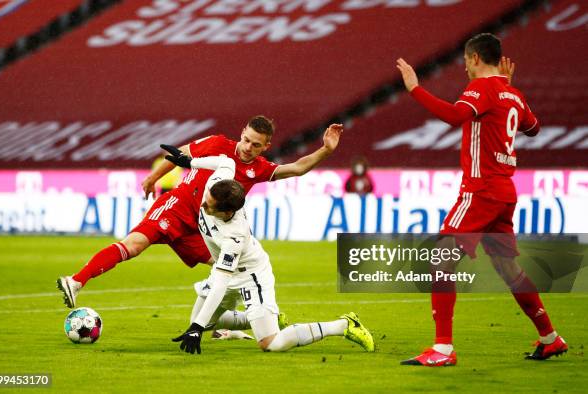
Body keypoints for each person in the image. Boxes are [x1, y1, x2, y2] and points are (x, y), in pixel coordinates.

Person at [395, 33, 567, 366]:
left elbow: (455, 116)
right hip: (504, 192)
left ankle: (442, 349)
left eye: (464, 61)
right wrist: (507, 89)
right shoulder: (511, 93)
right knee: (508, 268)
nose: (464, 69)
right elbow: (533, 128)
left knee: (440, 258)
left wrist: (415, 88)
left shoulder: (483, 88)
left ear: (475, 58)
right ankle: (550, 338)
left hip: (481, 190)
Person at [57, 116, 343, 308]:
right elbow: (179, 154)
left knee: (233, 270)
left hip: (204, 229)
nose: (247, 147)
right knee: (134, 245)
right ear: (241, 133)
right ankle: (76, 281)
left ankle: (220, 325)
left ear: (266, 146)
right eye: (246, 139)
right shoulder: (218, 144)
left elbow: (297, 168)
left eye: (256, 145)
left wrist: (326, 151)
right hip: (177, 207)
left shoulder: (259, 169)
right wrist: (153, 178)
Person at [171, 154, 375, 354]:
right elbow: (226, 162)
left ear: (227, 213)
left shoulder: (234, 235)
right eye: (206, 198)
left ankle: (343, 325)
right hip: (223, 269)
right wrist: (190, 161)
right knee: (197, 323)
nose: (203, 205)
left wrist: (197, 327)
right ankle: (267, 317)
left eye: (209, 205)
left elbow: (222, 282)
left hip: (249, 274)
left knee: (271, 343)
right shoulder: (215, 186)